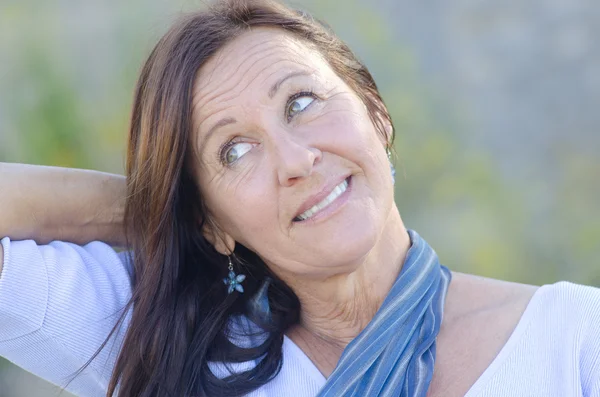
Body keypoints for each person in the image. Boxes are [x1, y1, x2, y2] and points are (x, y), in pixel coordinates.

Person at [0, 0, 599, 396]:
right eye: (234, 151)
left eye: (301, 103)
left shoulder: (573, 336)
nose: (295, 160)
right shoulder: (175, 351)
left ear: (376, 113)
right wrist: (163, 215)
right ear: (212, 220)